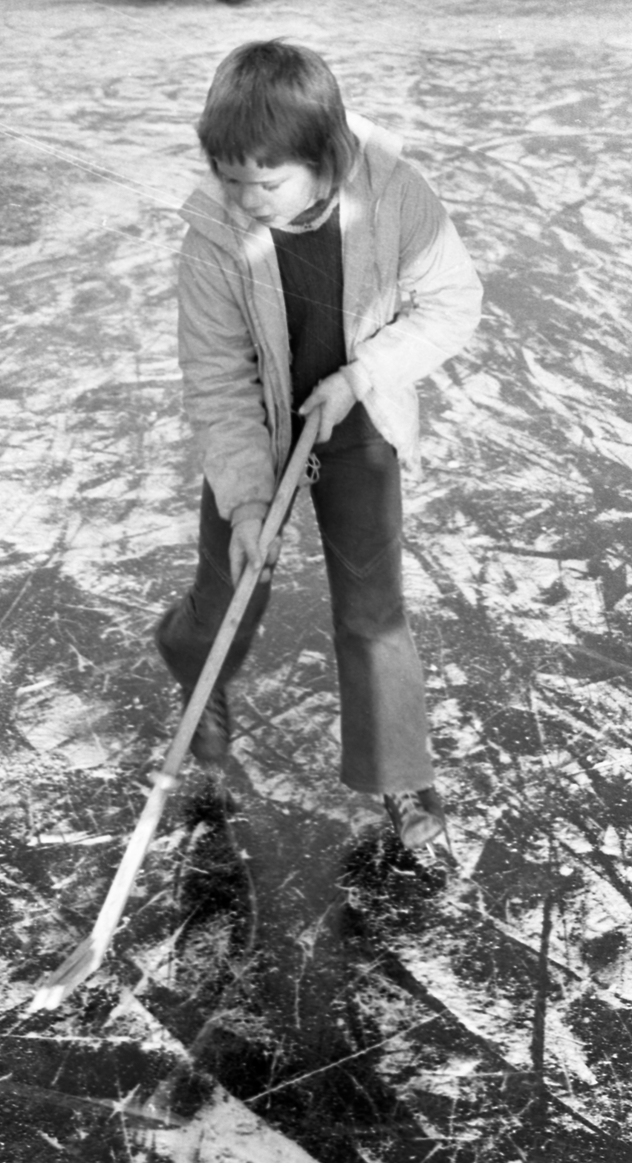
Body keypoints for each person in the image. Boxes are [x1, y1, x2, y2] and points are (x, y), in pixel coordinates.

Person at [156, 39, 482, 870]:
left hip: (356, 415)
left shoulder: (396, 193)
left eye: (265, 182)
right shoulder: (213, 236)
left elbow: (452, 302)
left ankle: (399, 772)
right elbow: (216, 380)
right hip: (261, 421)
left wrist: (363, 373)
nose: (244, 198)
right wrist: (249, 501)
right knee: (230, 586)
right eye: (230, 178)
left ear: (326, 159)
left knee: (372, 610)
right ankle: (195, 674)